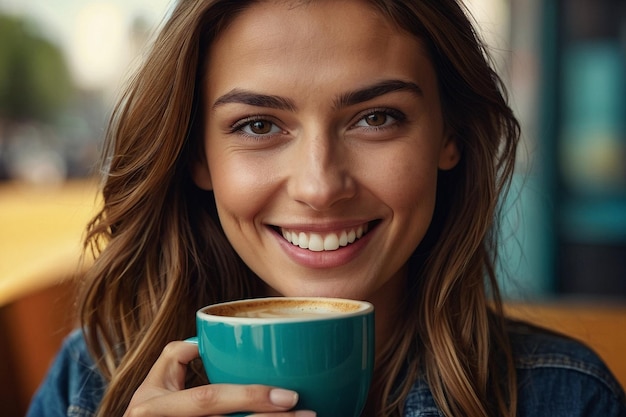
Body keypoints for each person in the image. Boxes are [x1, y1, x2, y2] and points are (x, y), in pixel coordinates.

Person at [27, 0, 626, 416]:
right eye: (258, 124)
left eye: (376, 117)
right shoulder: (93, 380)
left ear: (452, 137)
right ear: (197, 156)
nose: (319, 186)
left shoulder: (566, 396)